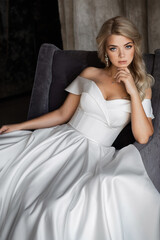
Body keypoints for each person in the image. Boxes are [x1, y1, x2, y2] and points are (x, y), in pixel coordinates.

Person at [0, 16, 159, 240]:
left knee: (55, 207)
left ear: (135, 47)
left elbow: (143, 137)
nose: (122, 55)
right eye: (114, 48)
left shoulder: (142, 88)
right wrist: (20, 126)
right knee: (13, 180)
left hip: (93, 156)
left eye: (128, 46)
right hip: (60, 141)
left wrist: (133, 92)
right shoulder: (89, 75)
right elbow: (63, 114)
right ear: (105, 50)